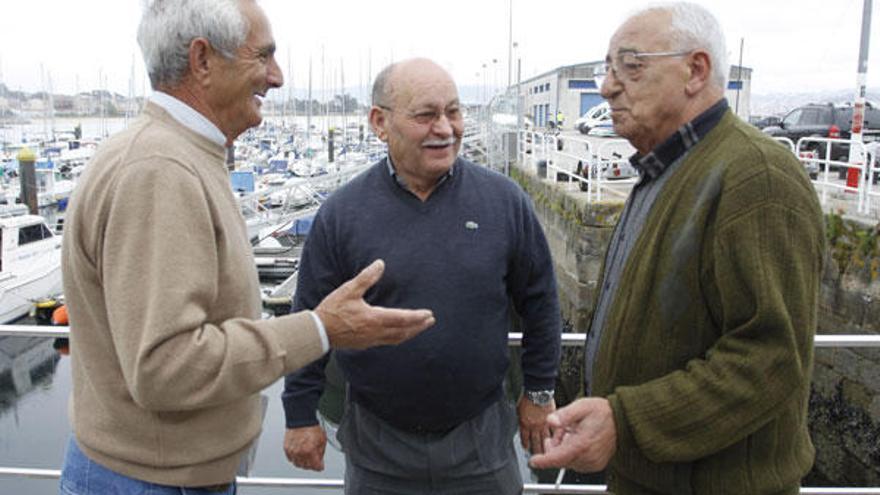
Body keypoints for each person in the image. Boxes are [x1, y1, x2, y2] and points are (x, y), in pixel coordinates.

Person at [59, 1, 435, 493]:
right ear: (202, 60)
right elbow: (165, 369)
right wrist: (320, 329)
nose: (276, 77)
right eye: (263, 57)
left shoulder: (174, 154)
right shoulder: (160, 171)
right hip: (149, 482)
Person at [530, 3, 825, 494]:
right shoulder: (662, 172)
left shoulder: (757, 176)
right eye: (607, 69)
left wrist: (626, 421)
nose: (606, 86)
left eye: (630, 66)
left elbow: (770, 356)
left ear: (696, 70)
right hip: (648, 476)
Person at [282, 58, 563, 494]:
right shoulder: (341, 215)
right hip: (378, 444)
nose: (446, 129)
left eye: (453, 111)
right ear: (379, 122)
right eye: (426, 115)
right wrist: (300, 414)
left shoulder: (504, 201)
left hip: (481, 438)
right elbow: (309, 321)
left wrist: (540, 392)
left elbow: (540, 301)